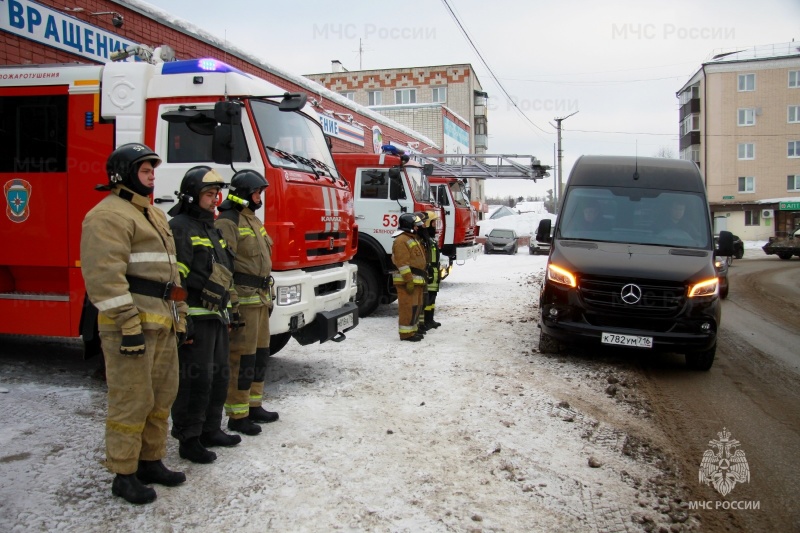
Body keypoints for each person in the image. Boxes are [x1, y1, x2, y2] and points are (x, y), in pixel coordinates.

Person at [80, 143, 188, 505]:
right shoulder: (107, 216)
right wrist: (128, 325)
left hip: (162, 323)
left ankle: (150, 461)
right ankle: (124, 474)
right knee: (131, 400)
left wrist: (180, 318)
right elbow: (104, 280)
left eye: (153, 170)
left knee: (161, 397)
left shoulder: (153, 215)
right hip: (131, 327)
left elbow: (170, 273)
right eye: (145, 170)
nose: (152, 175)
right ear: (123, 174)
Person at [168, 166, 242, 464]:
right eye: (209, 194)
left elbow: (225, 271)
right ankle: (189, 438)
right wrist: (181, 322)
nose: (215, 200)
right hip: (196, 320)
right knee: (194, 381)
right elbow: (177, 280)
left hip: (217, 317)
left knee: (218, 376)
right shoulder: (180, 227)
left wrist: (231, 310)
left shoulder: (210, 227)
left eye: (216, 194)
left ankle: (211, 429)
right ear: (191, 196)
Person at [215, 170, 278, 436]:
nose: (259, 197)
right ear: (244, 193)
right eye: (257, 192)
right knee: (241, 358)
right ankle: (237, 415)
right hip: (244, 301)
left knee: (260, 355)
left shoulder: (252, 219)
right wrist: (231, 303)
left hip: (260, 299)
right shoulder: (228, 222)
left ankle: (254, 405)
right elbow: (222, 265)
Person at [391, 213, 427, 341]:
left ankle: (413, 330)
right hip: (407, 281)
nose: (417, 228)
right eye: (415, 225)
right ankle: (406, 334)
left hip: (416, 280)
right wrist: (408, 280)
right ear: (408, 225)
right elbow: (402, 263)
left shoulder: (411, 238)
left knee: (415, 307)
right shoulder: (401, 240)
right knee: (407, 308)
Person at [415, 211, 442, 331]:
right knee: (426, 299)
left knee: (432, 298)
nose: (435, 225)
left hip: (434, 274)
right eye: (433, 222)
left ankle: (430, 320)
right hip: (428, 273)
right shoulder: (423, 239)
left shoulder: (430, 239)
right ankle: (424, 322)